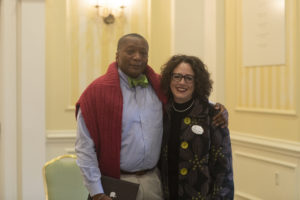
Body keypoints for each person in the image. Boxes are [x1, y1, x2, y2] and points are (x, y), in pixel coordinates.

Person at [75, 33, 228, 200]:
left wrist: (217, 108)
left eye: (143, 53)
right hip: (115, 184)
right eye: (130, 51)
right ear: (117, 55)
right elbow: (85, 148)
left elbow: (189, 95)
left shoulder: (159, 87)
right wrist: (96, 192)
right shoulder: (95, 93)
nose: (137, 57)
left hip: (154, 182)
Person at [159, 55, 234, 200]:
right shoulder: (163, 111)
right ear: (169, 79)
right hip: (166, 193)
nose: (182, 82)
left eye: (189, 78)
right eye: (177, 76)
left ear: (197, 82)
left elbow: (223, 169)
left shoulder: (213, 114)